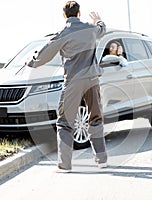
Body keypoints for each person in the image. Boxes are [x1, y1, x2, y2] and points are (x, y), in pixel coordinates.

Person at [27, 1, 107, 172]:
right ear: (79, 13)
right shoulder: (91, 29)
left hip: (73, 82)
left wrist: (31, 62)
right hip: (93, 80)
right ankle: (102, 160)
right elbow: (102, 29)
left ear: (64, 15)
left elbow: (44, 54)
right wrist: (98, 20)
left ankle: (65, 165)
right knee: (96, 118)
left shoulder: (63, 33)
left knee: (64, 122)